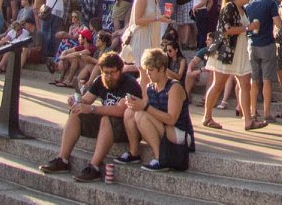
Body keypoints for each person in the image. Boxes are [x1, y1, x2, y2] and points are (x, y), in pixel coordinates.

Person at [41, 52, 141, 182]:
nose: (110, 77)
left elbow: (120, 110)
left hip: (126, 128)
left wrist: (92, 108)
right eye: (106, 73)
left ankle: (94, 167)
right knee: (76, 112)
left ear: (120, 71)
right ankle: (62, 159)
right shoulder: (100, 80)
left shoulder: (129, 83)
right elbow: (86, 100)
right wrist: (76, 101)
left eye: (113, 73)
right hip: (107, 127)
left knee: (106, 118)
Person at [123, 46, 194, 171]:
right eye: (147, 70)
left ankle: (161, 158)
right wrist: (135, 103)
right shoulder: (151, 87)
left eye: (151, 70)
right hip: (163, 128)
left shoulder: (174, 87)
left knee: (141, 115)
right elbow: (145, 106)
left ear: (161, 69)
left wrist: (144, 106)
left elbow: (171, 119)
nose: (148, 74)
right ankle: (134, 153)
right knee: (130, 112)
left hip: (179, 133)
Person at [201, 0, 251, 131]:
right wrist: (249, 27)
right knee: (218, 84)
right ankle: (207, 117)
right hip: (227, 51)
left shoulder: (242, 9)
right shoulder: (229, 7)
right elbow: (226, 30)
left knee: (245, 84)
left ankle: (248, 120)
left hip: (240, 51)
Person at [244, 0, 280, 125]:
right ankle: (266, 112)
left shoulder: (248, 6)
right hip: (267, 43)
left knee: (254, 80)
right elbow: (278, 23)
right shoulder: (270, 4)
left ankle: (253, 111)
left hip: (252, 44)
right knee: (267, 80)